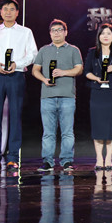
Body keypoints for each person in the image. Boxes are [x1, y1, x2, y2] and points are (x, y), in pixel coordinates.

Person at [0, 0, 38, 172]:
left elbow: (33, 54)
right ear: (0, 12)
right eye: (5, 9)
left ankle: (13, 158)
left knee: (15, 115)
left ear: (17, 12)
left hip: (16, 75)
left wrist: (17, 64)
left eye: (12, 9)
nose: (8, 12)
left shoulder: (25, 32)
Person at [32, 20, 83, 172]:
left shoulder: (73, 50)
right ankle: (47, 161)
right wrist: (44, 79)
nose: (56, 33)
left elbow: (79, 69)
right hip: (47, 96)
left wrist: (63, 72)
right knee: (48, 132)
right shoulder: (44, 50)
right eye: (53, 30)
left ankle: (67, 161)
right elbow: (35, 70)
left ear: (65, 32)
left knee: (67, 132)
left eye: (60, 30)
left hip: (67, 96)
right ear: (50, 33)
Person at [84, 23, 112, 171]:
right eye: (103, 33)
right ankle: (98, 158)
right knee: (97, 125)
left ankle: (108, 158)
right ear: (99, 36)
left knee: (111, 125)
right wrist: (96, 78)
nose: (106, 36)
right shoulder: (92, 52)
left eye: (109, 33)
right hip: (97, 92)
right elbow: (86, 71)